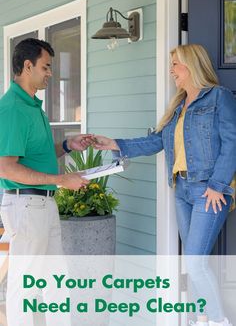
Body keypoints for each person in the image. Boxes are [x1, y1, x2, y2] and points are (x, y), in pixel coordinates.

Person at [92, 44, 236, 326]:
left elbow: (232, 142)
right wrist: (116, 144)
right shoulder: (178, 106)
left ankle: (219, 321)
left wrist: (218, 184)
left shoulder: (219, 97)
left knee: (195, 262)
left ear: (191, 65)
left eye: (175, 64)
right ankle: (200, 319)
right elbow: (157, 141)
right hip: (181, 190)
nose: (171, 71)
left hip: (208, 190)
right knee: (194, 264)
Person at [0, 38, 93, 325]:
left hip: (42, 204)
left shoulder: (32, 106)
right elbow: (6, 168)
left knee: (56, 280)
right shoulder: (13, 108)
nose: (50, 73)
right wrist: (61, 179)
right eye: (46, 66)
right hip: (27, 204)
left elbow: (35, 155)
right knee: (24, 283)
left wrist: (67, 145)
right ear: (27, 66)